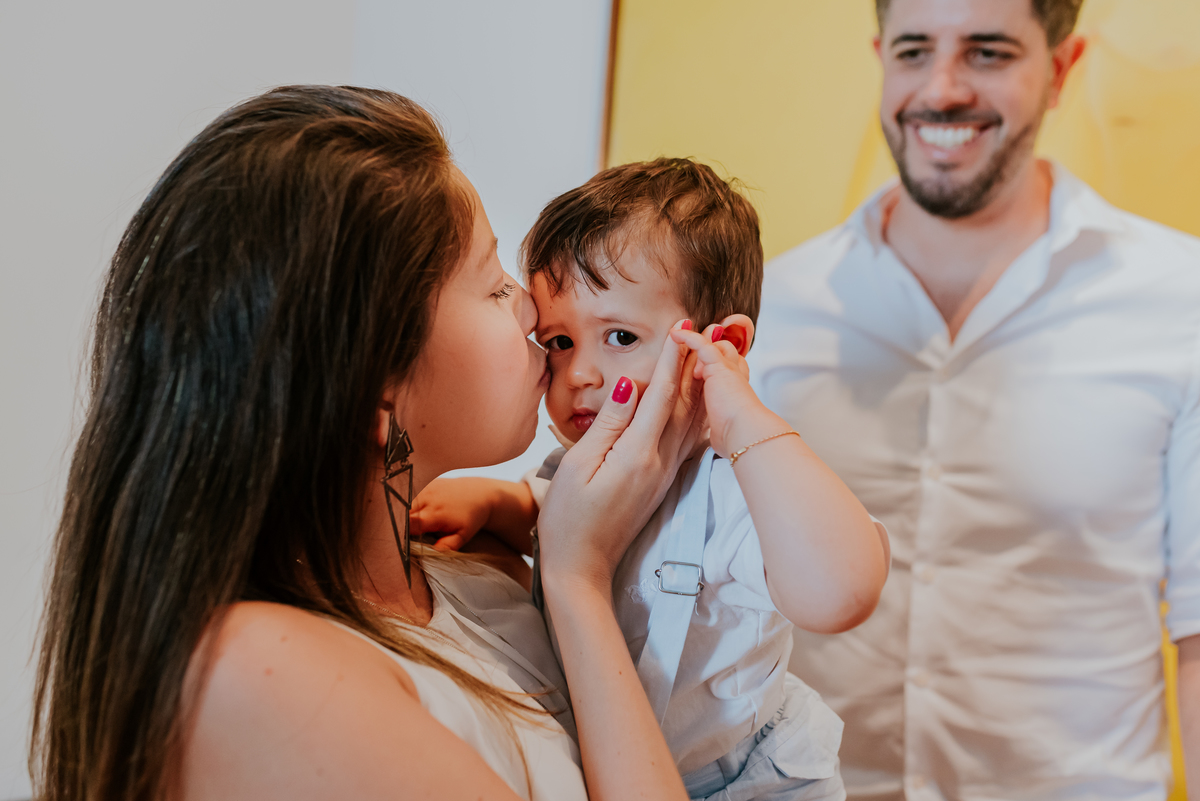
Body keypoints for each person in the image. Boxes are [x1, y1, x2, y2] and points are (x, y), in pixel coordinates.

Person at [29, 85, 719, 801]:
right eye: (492, 287)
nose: (533, 309)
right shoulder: (259, 674)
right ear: (374, 388)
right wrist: (579, 579)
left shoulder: (483, 573)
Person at [748, 0, 1200, 799]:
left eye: (988, 52)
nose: (942, 88)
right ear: (881, 58)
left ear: (1061, 68)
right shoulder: (769, 311)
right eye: (915, 50)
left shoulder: (1182, 302)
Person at [413, 158, 891, 800]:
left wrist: (744, 420)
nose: (580, 373)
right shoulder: (581, 466)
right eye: (558, 342)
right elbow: (555, 515)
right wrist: (497, 503)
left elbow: (842, 591)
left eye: (619, 335)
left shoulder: (732, 490)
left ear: (721, 344)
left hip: (745, 782)